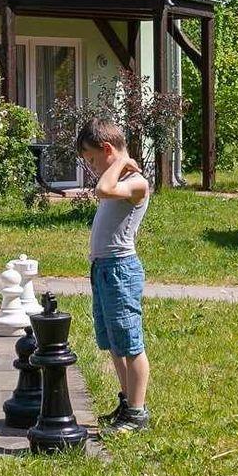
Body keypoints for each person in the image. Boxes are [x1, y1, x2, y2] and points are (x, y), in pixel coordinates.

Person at [74, 116, 152, 433]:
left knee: (130, 343)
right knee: (114, 343)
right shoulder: (120, 178)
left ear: (108, 149)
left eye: (93, 160)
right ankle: (126, 401)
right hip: (103, 269)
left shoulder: (136, 182)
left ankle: (137, 413)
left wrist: (120, 161)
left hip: (120, 270)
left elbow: (103, 189)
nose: (92, 168)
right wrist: (116, 164)